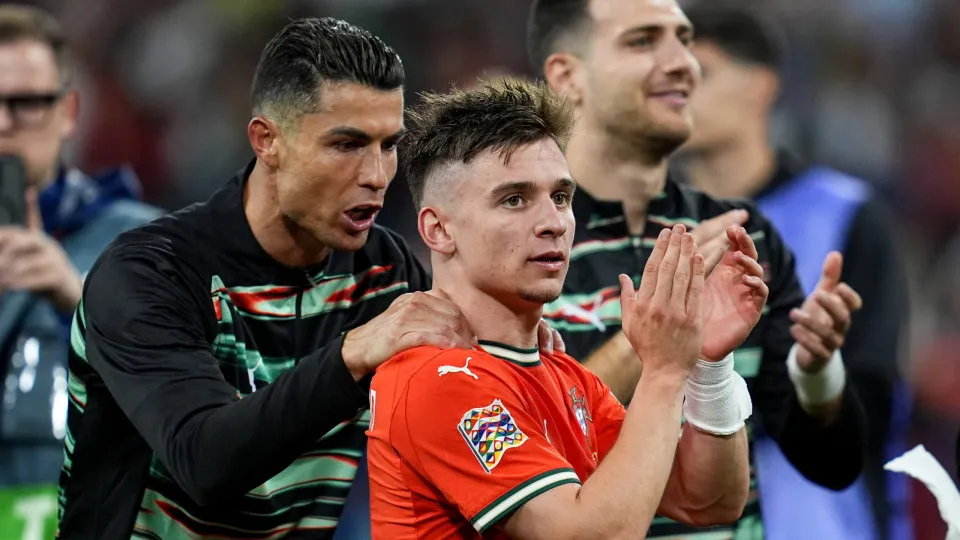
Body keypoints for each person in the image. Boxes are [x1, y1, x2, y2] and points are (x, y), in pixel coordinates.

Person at [55, 18, 563, 540]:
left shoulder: (385, 275)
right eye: (347, 144)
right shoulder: (147, 273)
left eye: (389, 145)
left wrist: (509, 358)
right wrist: (351, 355)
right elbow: (204, 461)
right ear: (267, 141)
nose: (376, 175)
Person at [367, 77, 766, 539]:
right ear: (438, 230)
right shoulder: (438, 378)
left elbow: (709, 500)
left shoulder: (563, 375)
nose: (553, 223)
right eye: (514, 200)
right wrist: (662, 370)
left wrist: (708, 365)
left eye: (561, 197)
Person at [527, 0, 868, 537]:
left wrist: (817, 373)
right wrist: (657, 335)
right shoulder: (520, 240)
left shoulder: (741, 236)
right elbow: (510, 444)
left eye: (683, 40)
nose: (683, 62)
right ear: (568, 76)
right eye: (643, 41)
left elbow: (832, 465)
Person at [675, 5, 912, 540]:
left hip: (824, 522)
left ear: (760, 87)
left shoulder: (847, 214)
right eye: (671, 75)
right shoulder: (649, 225)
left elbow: (873, 397)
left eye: (700, 73)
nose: (679, 90)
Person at [0, 5, 160, 538]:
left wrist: (80, 299)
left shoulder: (141, 243)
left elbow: (209, 403)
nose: (2, 124)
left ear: (68, 112)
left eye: (25, 103)